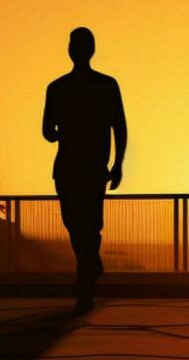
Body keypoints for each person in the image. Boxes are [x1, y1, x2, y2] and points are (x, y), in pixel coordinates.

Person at [42, 27, 127, 313]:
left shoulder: (59, 88)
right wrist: (118, 164)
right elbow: (120, 128)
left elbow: (47, 132)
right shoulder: (104, 85)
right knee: (86, 226)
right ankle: (91, 265)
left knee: (81, 226)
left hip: (75, 167)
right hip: (87, 167)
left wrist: (118, 164)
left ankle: (86, 285)